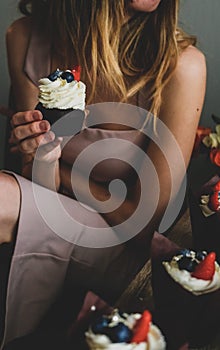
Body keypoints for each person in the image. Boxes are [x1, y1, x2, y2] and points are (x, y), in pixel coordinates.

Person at [0, 0, 206, 349]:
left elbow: (145, 223)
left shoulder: (181, 66)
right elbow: (40, 184)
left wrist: (66, 176)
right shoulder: (25, 37)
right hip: (51, 212)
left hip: (123, 248)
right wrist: (47, 158)